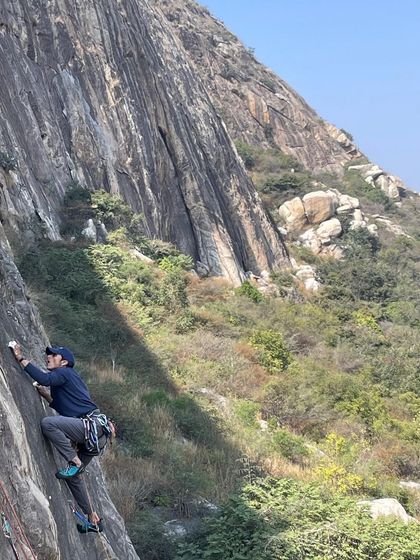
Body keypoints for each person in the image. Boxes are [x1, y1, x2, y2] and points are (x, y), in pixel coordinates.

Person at [11, 343, 112, 533]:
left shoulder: (65, 373)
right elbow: (65, 407)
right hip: (95, 435)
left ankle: (75, 462)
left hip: (89, 427)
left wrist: (20, 358)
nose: (48, 357)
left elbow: (43, 377)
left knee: (48, 424)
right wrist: (47, 397)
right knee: (73, 478)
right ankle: (93, 519)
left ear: (63, 362)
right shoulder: (67, 379)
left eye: (53, 356)